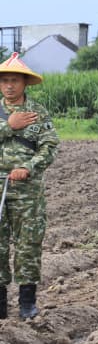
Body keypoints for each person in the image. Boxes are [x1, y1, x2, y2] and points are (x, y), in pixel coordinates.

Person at [0, 53, 59, 321]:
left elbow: (50, 146)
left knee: (28, 245)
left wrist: (29, 168)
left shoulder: (38, 112)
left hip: (28, 191)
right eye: (4, 81)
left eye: (14, 81)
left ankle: (27, 303)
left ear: (24, 84)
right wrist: (8, 127)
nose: (9, 86)